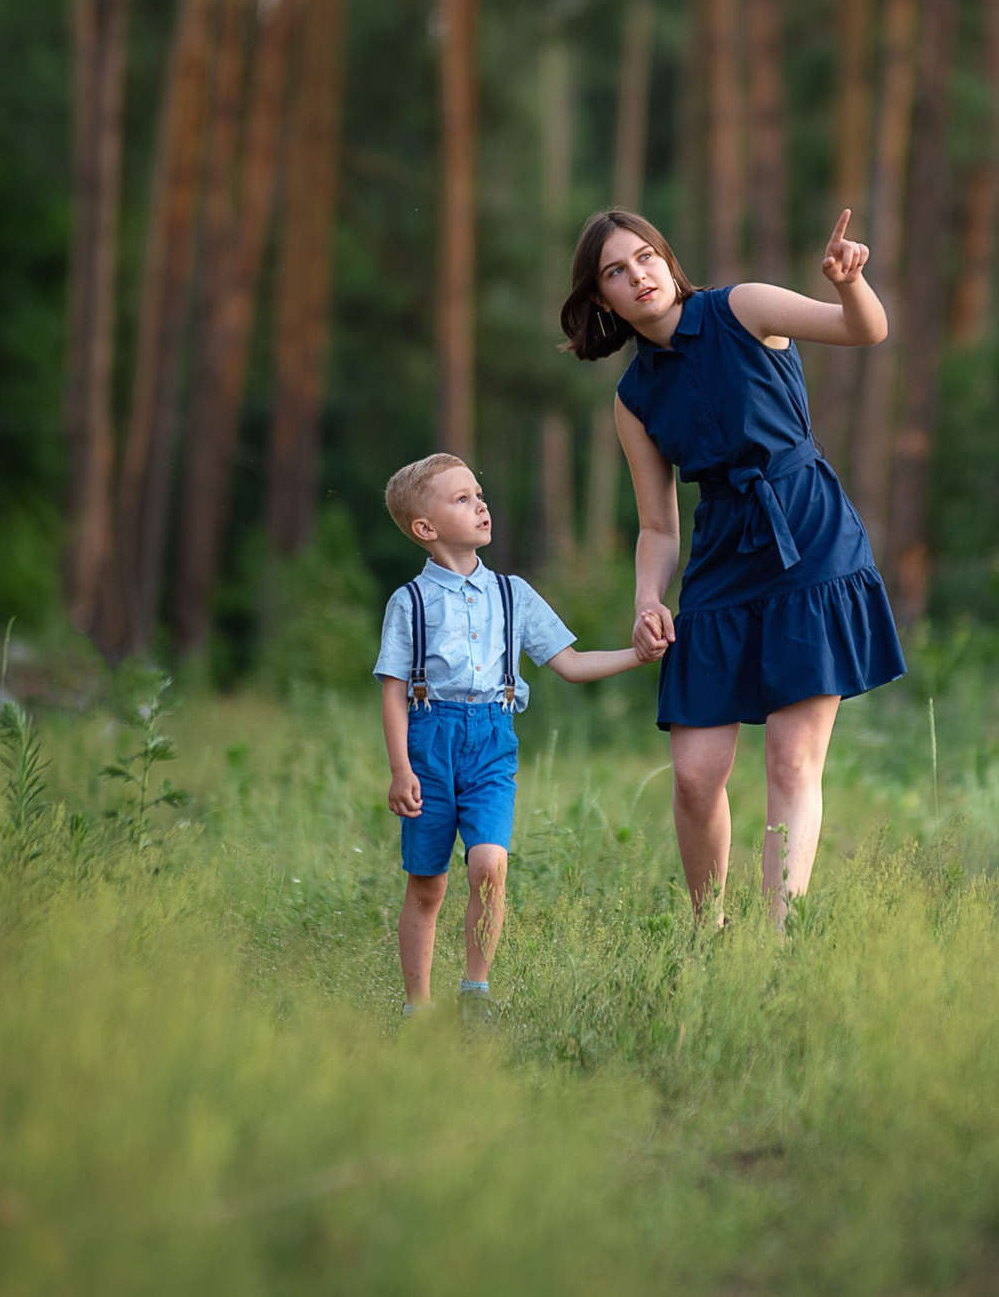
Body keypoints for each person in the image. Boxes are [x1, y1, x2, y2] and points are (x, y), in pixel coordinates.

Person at [559, 207, 906, 927]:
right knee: (693, 775)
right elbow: (657, 525)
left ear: (666, 258)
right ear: (603, 301)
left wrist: (850, 284)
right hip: (721, 555)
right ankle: (709, 938)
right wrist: (647, 598)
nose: (637, 275)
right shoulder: (633, 399)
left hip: (807, 535)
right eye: (615, 272)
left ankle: (781, 944)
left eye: (645, 256)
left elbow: (864, 329)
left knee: (790, 760)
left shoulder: (742, 308)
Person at [375, 453, 651, 1018]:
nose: (480, 504)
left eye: (479, 493)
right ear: (424, 529)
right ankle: (417, 1007)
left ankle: (475, 991)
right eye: (461, 499)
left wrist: (638, 655)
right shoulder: (409, 603)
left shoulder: (512, 594)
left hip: (492, 741)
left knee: (490, 866)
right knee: (427, 884)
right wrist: (401, 768)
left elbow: (569, 663)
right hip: (430, 742)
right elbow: (393, 691)